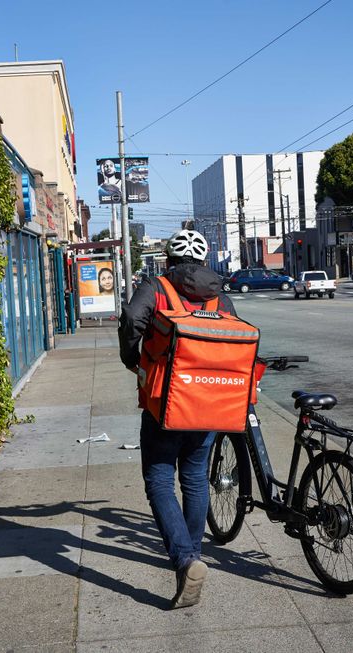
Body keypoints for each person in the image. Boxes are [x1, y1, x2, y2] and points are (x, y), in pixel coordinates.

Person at [117, 229, 235, 609]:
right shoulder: (219, 296)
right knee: (196, 477)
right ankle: (193, 553)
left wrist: (132, 358)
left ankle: (185, 560)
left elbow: (133, 318)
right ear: (202, 263)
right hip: (210, 402)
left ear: (168, 260)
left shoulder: (158, 287)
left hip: (165, 402)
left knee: (159, 480)